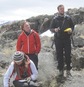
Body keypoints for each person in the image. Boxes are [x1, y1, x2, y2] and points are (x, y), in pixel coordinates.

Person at [50, 5, 74, 77]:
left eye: (63, 9)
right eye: (61, 9)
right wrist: (55, 30)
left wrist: (71, 30)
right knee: (59, 55)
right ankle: (61, 70)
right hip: (58, 39)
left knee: (68, 55)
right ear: (58, 10)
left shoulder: (68, 18)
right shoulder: (55, 19)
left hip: (67, 39)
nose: (62, 10)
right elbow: (51, 28)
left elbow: (72, 26)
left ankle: (68, 70)